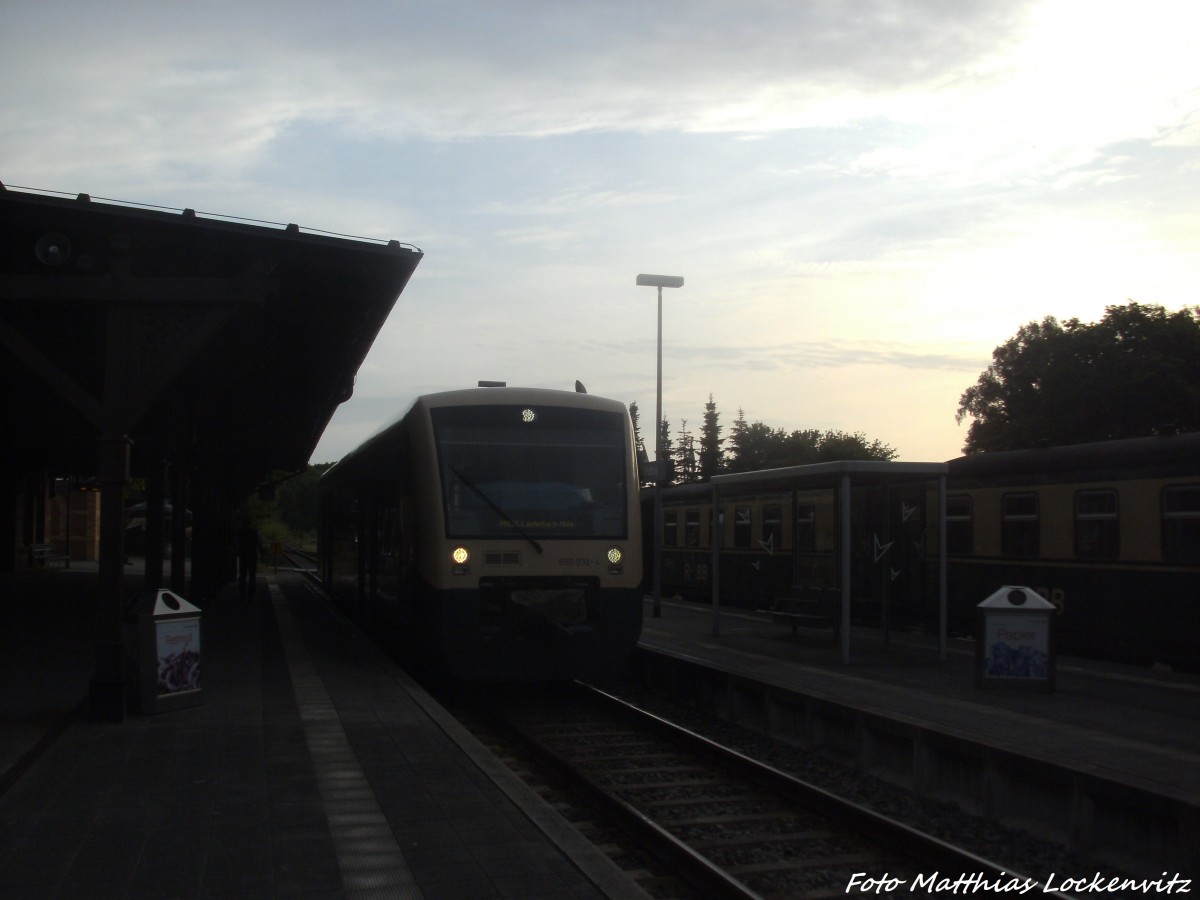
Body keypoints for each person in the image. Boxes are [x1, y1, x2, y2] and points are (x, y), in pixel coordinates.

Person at [237, 523, 261, 601]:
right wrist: (262, 554)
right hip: (253, 556)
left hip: (243, 557)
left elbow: (237, 543)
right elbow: (259, 544)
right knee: (252, 577)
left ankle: (242, 596)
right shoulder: (255, 532)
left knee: (242, 576)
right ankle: (251, 596)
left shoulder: (241, 532)